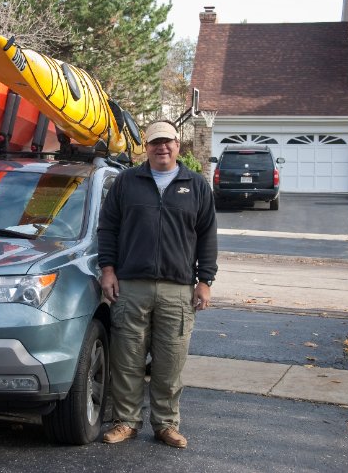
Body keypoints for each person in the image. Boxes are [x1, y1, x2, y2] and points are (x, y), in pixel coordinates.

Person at [97, 120, 218, 449]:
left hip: (177, 289)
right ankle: (126, 422)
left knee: (170, 361)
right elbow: (107, 229)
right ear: (146, 148)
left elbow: (207, 236)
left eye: (167, 142)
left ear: (179, 145)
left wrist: (205, 280)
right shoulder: (126, 182)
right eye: (155, 143)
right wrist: (107, 270)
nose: (161, 147)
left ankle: (166, 424)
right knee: (127, 359)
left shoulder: (196, 186)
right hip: (130, 285)